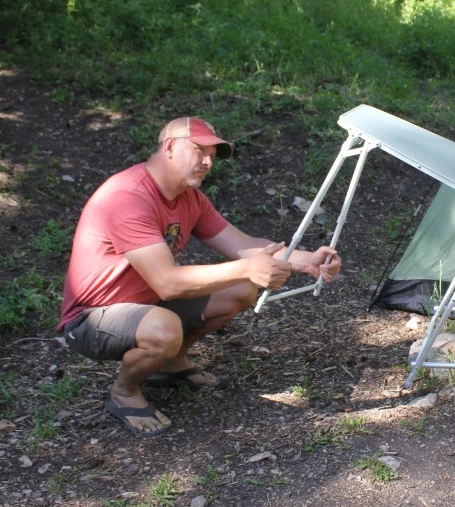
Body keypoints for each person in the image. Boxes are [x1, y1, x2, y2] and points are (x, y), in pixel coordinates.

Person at [57, 117, 341, 436]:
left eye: (212, 155)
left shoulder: (189, 198)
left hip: (148, 302)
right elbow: (166, 281)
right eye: (199, 150)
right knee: (165, 328)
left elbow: (244, 246)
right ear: (169, 147)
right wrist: (247, 268)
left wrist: (308, 262)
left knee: (241, 290)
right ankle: (124, 392)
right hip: (92, 319)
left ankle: (170, 363)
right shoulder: (128, 196)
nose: (207, 162)